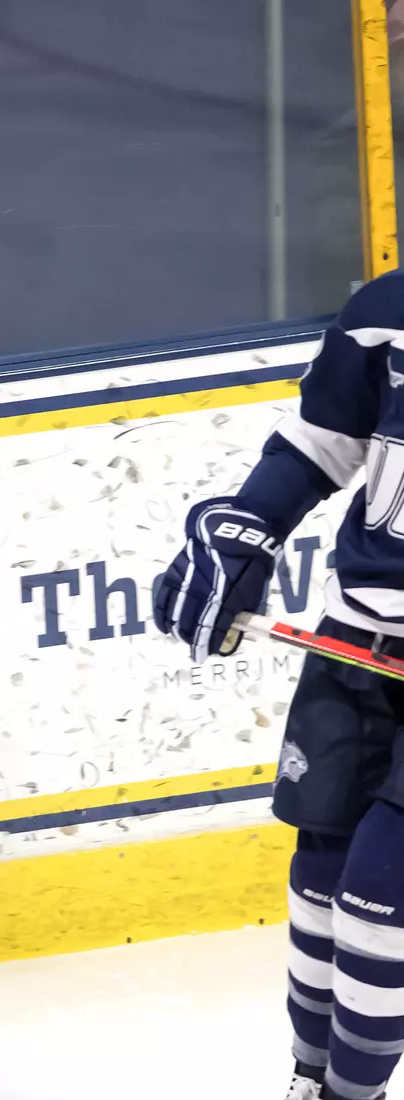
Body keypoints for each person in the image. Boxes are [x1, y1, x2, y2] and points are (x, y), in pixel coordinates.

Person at [152, 270, 404, 1100]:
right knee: (322, 879)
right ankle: (308, 1082)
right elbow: (322, 443)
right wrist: (249, 526)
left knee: (380, 893)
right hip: (354, 638)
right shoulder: (386, 310)